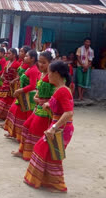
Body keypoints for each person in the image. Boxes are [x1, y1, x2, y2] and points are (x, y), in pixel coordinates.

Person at [24, 61, 74, 193]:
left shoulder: (62, 90)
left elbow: (69, 113)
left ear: (56, 73)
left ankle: (58, 185)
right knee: (48, 152)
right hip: (59, 126)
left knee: (50, 153)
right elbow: (60, 108)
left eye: (49, 72)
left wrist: (54, 128)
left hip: (61, 128)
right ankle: (48, 182)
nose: (47, 76)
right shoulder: (61, 89)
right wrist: (48, 105)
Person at [12, 51, 54, 160]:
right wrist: (36, 97)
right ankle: (23, 151)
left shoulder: (53, 76)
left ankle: (37, 154)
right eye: (40, 62)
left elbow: (58, 92)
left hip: (46, 110)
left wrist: (48, 101)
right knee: (26, 126)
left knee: (36, 131)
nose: (41, 64)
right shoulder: (42, 73)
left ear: (50, 63)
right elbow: (38, 89)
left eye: (44, 62)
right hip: (38, 107)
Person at [5, 49, 40, 141]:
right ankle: (15, 134)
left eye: (26, 56)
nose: (24, 58)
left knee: (21, 116)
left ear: (32, 59)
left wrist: (20, 90)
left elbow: (32, 85)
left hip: (27, 97)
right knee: (14, 112)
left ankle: (22, 137)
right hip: (22, 95)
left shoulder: (33, 70)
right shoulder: (29, 68)